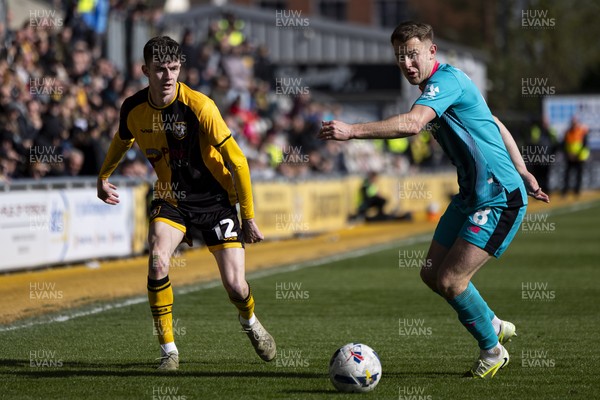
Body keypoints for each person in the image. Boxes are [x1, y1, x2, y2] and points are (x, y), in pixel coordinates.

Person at [318, 21, 550, 379]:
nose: (407, 63)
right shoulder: (439, 88)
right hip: (471, 196)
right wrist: (523, 167)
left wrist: (352, 131)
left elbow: (412, 124)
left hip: (498, 198)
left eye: (413, 54)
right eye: (400, 57)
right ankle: (491, 321)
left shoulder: (447, 82)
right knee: (430, 273)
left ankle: (492, 350)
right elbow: (495, 121)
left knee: (451, 281)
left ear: (431, 51)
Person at [97, 36, 276, 370]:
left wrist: (248, 217)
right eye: (160, 69)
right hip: (171, 197)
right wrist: (103, 177)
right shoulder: (133, 109)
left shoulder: (201, 106)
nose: (168, 77)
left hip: (216, 200)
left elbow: (238, 162)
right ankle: (169, 351)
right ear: (145, 70)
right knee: (157, 262)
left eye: (174, 69)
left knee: (236, 286)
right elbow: (122, 141)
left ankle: (250, 321)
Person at [561, 116, 589, 196]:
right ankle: (565, 191)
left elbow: (585, 144)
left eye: (575, 122)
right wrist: (568, 154)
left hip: (579, 157)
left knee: (579, 175)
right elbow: (564, 144)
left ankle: (577, 191)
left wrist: (577, 154)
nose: (573, 124)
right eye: (572, 122)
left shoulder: (582, 131)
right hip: (570, 157)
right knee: (567, 175)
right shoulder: (568, 132)